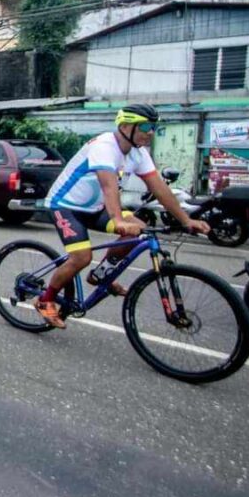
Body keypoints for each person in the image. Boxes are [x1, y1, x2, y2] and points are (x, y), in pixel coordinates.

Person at [35, 104, 210, 329]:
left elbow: (159, 188)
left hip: (95, 206)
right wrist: (117, 220)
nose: (150, 132)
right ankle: (45, 300)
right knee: (81, 257)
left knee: (139, 230)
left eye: (154, 127)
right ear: (126, 126)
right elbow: (109, 187)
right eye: (146, 126)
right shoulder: (104, 146)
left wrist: (186, 220)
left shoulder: (138, 153)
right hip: (65, 205)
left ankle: (100, 275)